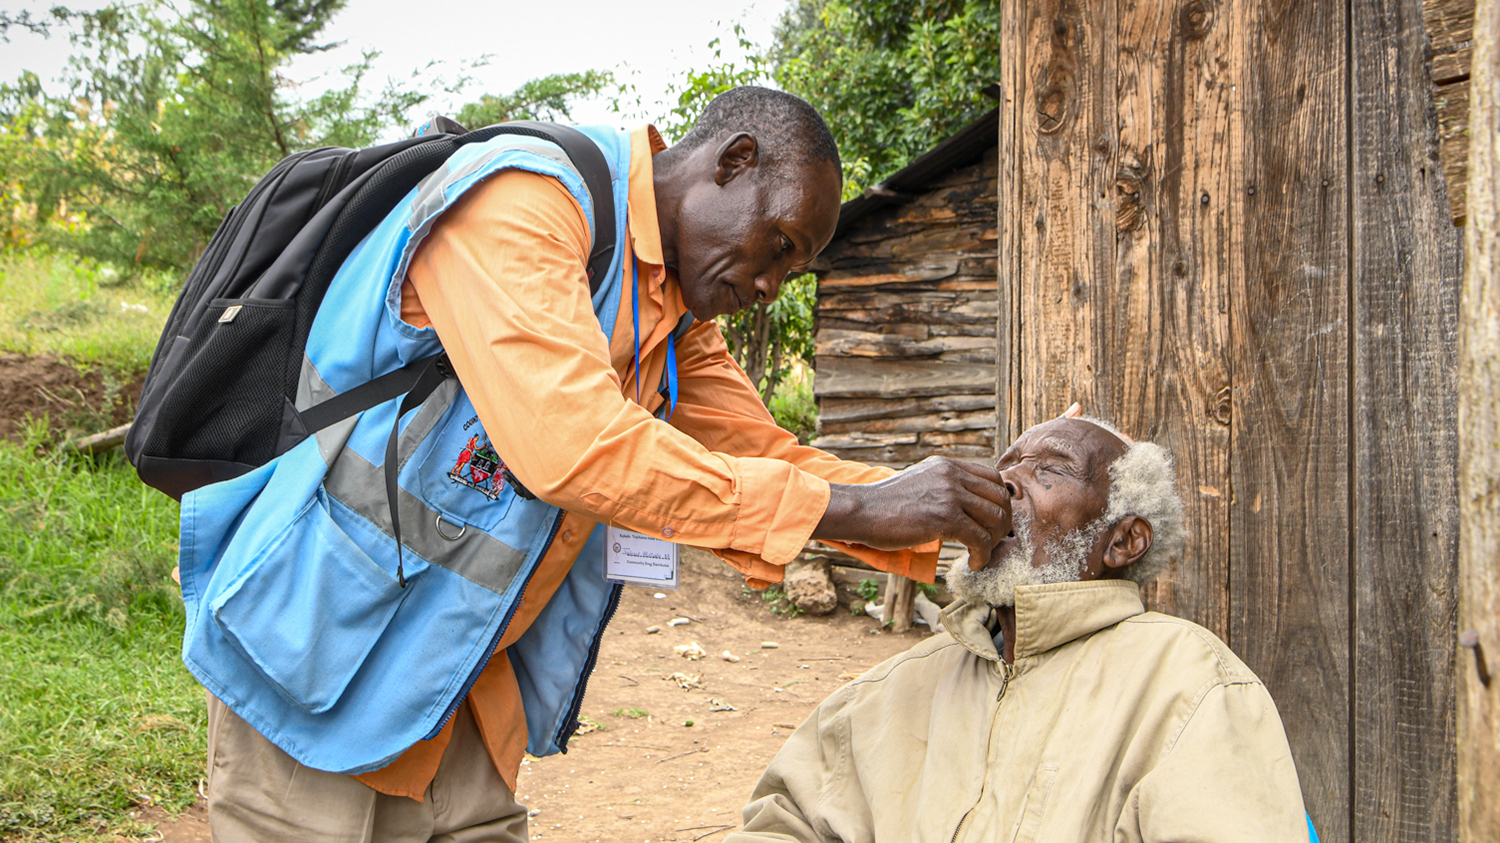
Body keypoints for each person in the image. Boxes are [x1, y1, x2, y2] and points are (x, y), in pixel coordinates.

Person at [191, 87, 1015, 841]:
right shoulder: (524, 202)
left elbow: (770, 458)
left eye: (790, 271)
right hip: (314, 655)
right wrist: (865, 511)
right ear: (733, 162)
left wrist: (955, 521)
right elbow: (575, 445)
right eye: (778, 244)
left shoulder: (670, 311)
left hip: (452, 685)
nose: (770, 285)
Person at [729, 416, 1314, 843]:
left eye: (1050, 471)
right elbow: (782, 823)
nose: (1000, 485)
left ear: (1123, 540)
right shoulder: (899, 684)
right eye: (1002, 467)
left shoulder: (1190, 685)